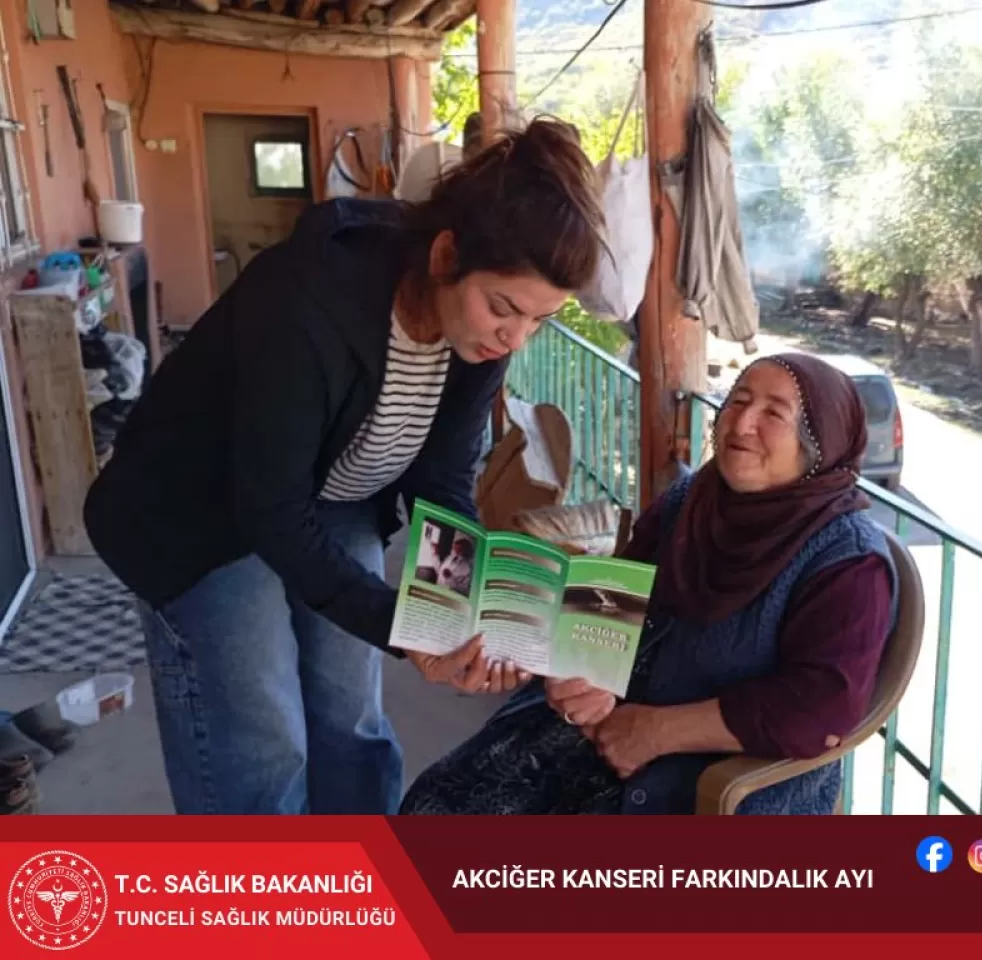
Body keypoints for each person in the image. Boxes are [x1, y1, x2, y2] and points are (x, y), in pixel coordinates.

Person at [83, 118, 606, 815]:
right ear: (445, 254)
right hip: (197, 514)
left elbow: (443, 481)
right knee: (265, 739)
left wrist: (459, 615)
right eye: (504, 309)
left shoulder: (482, 339)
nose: (515, 338)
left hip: (332, 492)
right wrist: (407, 633)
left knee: (351, 719)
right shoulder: (304, 302)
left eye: (539, 321)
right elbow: (271, 511)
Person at [399, 353, 899, 815]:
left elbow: (821, 709)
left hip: (712, 772)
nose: (743, 423)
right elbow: (614, 602)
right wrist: (581, 672)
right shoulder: (694, 499)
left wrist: (657, 731)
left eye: (774, 413)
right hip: (607, 723)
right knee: (434, 804)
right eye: (738, 400)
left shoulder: (848, 562)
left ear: (820, 444)